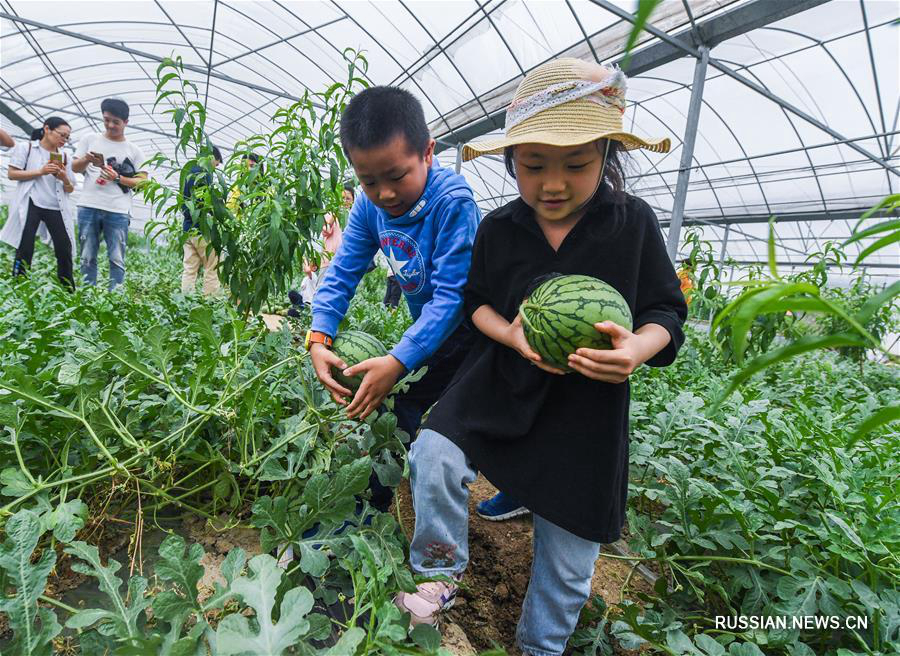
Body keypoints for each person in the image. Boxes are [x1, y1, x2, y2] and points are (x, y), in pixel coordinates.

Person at [394, 59, 687, 653]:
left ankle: (540, 646)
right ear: (511, 161)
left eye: (577, 165)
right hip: (504, 381)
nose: (553, 184)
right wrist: (512, 336)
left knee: (570, 553)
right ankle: (438, 572)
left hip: (587, 407)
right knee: (434, 451)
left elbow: (666, 311)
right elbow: (475, 304)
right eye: (533, 166)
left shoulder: (631, 224)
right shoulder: (500, 228)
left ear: (607, 155)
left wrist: (637, 348)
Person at [307, 86, 480, 512]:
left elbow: (452, 297)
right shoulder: (369, 209)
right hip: (431, 334)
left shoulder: (452, 202)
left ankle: (515, 485)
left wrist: (399, 360)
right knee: (398, 407)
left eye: (397, 176)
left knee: (475, 425)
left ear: (427, 152)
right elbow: (342, 272)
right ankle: (370, 506)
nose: (384, 193)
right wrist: (319, 335)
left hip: (477, 334)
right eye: (368, 181)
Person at [72, 98, 147, 290]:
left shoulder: (134, 151)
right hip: (89, 205)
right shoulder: (90, 139)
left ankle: (115, 298)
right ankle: (88, 295)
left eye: (116, 122)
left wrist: (117, 177)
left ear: (126, 123)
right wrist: (87, 159)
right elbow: (74, 167)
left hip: (118, 209)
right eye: (106, 120)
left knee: (116, 257)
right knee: (87, 256)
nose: (110, 125)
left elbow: (143, 183)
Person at [1, 117, 76, 290]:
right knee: (25, 246)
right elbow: (12, 174)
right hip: (31, 202)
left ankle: (68, 289)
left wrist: (64, 178)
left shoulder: (65, 157)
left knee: (64, 248)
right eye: (62, 135)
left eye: (67, 137)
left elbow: (70, 189)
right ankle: (19, 284)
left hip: (55, 206)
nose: (64, 140)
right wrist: (41, 171)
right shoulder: (26, 148)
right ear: (47, 129)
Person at [181, 146, 223, 296]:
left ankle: (185, 302)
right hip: (202, 229)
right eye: (216, 164)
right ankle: (210, 304)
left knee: (189, 269)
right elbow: (205, 202)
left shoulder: (189, 173)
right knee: (212, 267)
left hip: (187, 229)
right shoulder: (204, 175)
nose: (215, 168)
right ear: (211, 158)